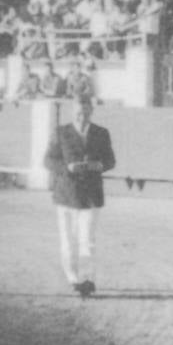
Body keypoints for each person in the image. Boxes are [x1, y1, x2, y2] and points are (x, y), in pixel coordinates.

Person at [44, 96, 116, 297]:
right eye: (78, 113)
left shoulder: (101, 133)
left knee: (87, 239)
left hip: (90, 194)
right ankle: (73, 279)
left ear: (91, 112)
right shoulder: (61, 132)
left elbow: (110, 160)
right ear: (71, 112)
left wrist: (99, 165)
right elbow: (48, 161)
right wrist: (67, 168)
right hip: (66, 193)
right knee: (67, 240)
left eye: (85, 113)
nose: (81, 117)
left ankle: (87, 279)